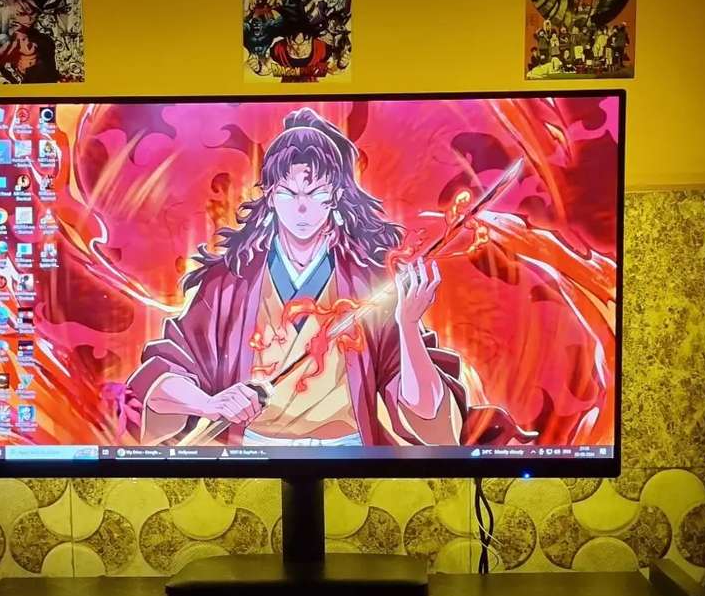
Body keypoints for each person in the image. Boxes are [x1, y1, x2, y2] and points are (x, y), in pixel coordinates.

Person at [125, 109, 469, 448]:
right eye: (289, 193)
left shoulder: (371, 283)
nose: (302, 207)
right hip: (249, 459)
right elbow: (162, 375)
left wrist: (408, 325)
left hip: (350, 456)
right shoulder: (229, 282)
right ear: (270, 195)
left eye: (316, 193)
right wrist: (210, 403)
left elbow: (427, 413)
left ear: (335, 196)